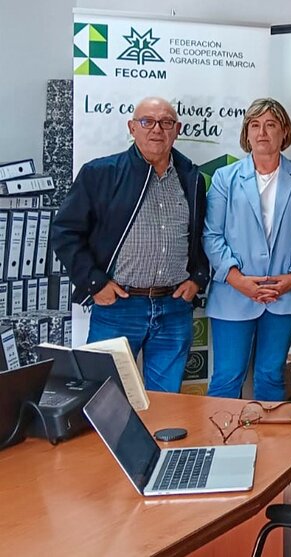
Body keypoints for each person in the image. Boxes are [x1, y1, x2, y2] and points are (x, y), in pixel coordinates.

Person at [51, 96, 209, 393]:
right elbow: (65, 232)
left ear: (177, 129)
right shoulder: (101, 173)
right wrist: (95, 283)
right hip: (118, 307)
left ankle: (158, 443)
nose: (157, 130)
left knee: (167, 405)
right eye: (147, 122)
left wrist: (198, 278)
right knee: (103, 399)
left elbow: (202, 234)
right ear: (132, 128)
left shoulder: (191, 178)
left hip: (173, 308)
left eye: (166, 123)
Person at [202, 98, 291, 402]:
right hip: (234, 292)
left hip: (284, 294)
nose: (262, 133)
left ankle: (271, 449)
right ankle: (218, 445)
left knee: (270, 374)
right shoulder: (224, 179)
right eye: (254, 125)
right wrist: (237, 279)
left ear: (285, 132)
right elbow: (212, 234)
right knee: (228, 375)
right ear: (246, 133)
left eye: (271, 125)